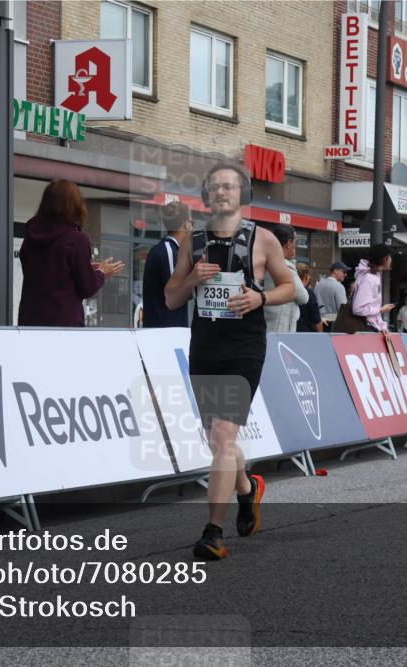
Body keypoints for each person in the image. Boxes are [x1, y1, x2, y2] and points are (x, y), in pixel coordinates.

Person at [164, 163, 295, 560]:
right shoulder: (194, 240)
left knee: (223, 437)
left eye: (230, 186)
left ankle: (212, 533)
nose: (222, 192)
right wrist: (191, 280)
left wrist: (260, 298)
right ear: (206, 196)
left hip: (244, 347)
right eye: (215, 187)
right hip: (205, 346)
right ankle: (247, 489)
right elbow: (171, 298)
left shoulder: (264, 239)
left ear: (242, 195)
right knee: (217, 439)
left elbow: (290, 287)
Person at [17, 180, 124, 326]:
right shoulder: (76, 240)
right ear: (75, 205)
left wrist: (85, 268)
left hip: (29, 322)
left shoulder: (31, 236)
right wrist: (101, 272)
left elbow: (46, 271)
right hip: (63, 325)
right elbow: (87, 287)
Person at [142, 201, 192, 328]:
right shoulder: (169, 251)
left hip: (164, 329)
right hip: (166, 329)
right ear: (186, 223)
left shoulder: (167, 249)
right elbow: (175, 293)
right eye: (191, 222)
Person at [263, 224, 309, 333]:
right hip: (280, 327)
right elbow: (303, 297)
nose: (295, 247)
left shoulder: (265, 261)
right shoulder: (285, 266)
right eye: (295, 243)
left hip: (267, 323)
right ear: (288, 243)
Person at [352, 244, 395, 332]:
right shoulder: (369, 278)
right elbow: (357, 309)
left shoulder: (373, 276)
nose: (391, 259)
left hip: (370, 327)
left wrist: (382, 326)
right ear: (385, 259)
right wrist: (380, 309)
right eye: (389, 256)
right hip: (366, 329)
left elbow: (371, 306)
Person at [315, 261, 351, 326]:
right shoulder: (339, 286)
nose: (345, 274)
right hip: (333, 323)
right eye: (344, 272)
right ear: (335, 271)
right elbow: (343, 309)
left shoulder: (318, 285)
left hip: (319, 322)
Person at [296, 263, 323, 332]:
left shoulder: (289, 292)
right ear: (306, 276)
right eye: (309, 275)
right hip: (306, 335)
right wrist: (322, 337)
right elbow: (317, 320)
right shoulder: (309, 293)